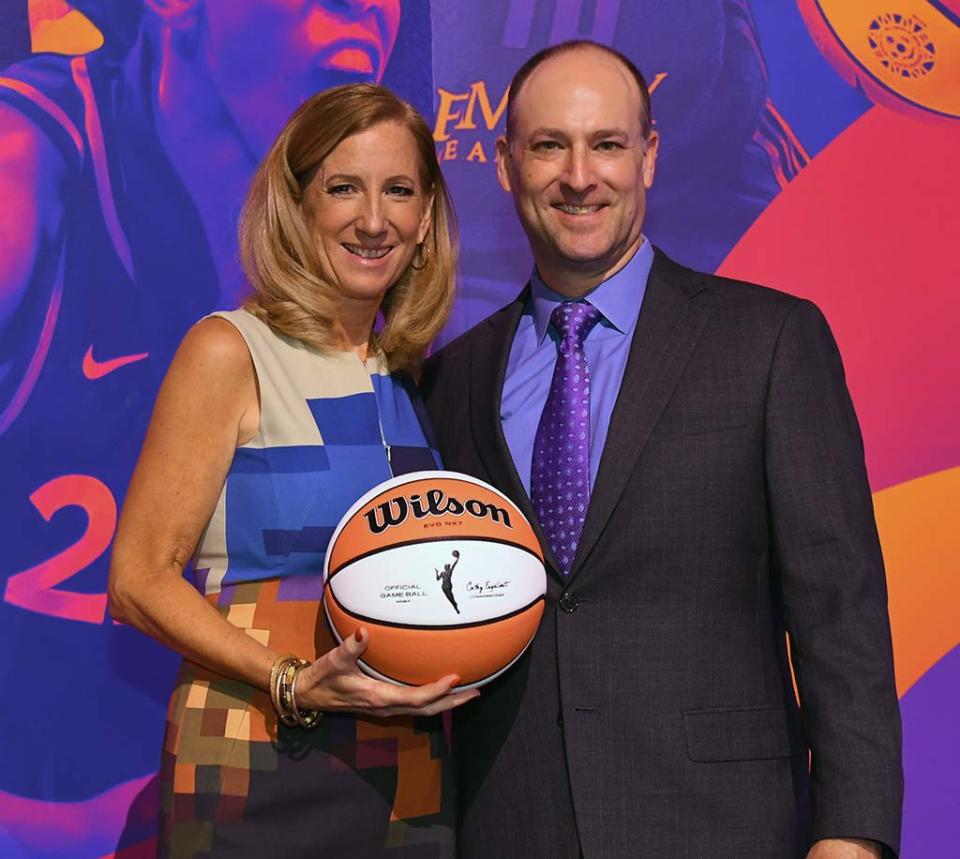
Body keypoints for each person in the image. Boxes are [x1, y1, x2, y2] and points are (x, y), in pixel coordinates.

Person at [421, 41, 903, 858]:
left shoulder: (770, 341)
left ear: (648, 156)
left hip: (722, 827)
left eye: (607, 143)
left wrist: (852, 833)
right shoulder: (450, 381)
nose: (580, 176)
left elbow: (840, 610)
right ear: (504, 164)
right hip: (512, 826)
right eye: (548, 146)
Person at [108, 83, 473, 857]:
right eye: (344, 187)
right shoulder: (230, 350)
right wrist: (290, 679)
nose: (373, 219)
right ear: (296, 203)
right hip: (254, 766)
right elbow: (138, 579)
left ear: (426, 219)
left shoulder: (410, 375)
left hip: (408, 778)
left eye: (398, 190)